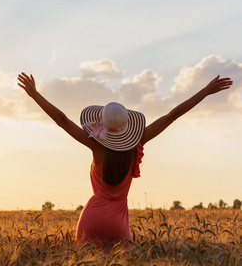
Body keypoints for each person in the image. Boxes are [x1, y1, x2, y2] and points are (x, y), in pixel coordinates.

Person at [17, 72, 232, 247]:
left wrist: (35, 95)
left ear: (103, 123)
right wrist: (204, 92)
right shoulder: (138, 143)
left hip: (91, 219)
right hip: (118, 223)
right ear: (127, 126)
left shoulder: (96, 147)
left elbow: (62, 120)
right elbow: (171, 116)